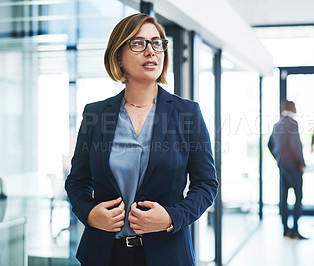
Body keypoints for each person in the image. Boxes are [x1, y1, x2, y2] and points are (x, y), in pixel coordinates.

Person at [65, 13, 218, 266]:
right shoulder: (96, 114)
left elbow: (206, 184)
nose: (151, 51)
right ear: (118, 57)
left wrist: (171, 217)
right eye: (138, 43)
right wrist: (90, 214)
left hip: (167, 255)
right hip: (104, 255)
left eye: (157, 43)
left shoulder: (186, 113)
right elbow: (77, 181)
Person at [268, 100, 307, 240]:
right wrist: (301, 162)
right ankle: (295, 229)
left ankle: (285, 229)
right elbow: (295, 145)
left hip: (282, 166)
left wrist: (278, 158)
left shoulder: (277, 125)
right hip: (293, 166)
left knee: (283, 198)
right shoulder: (292, 124)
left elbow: (269, 144)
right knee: (298, 197)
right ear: (291, 108)